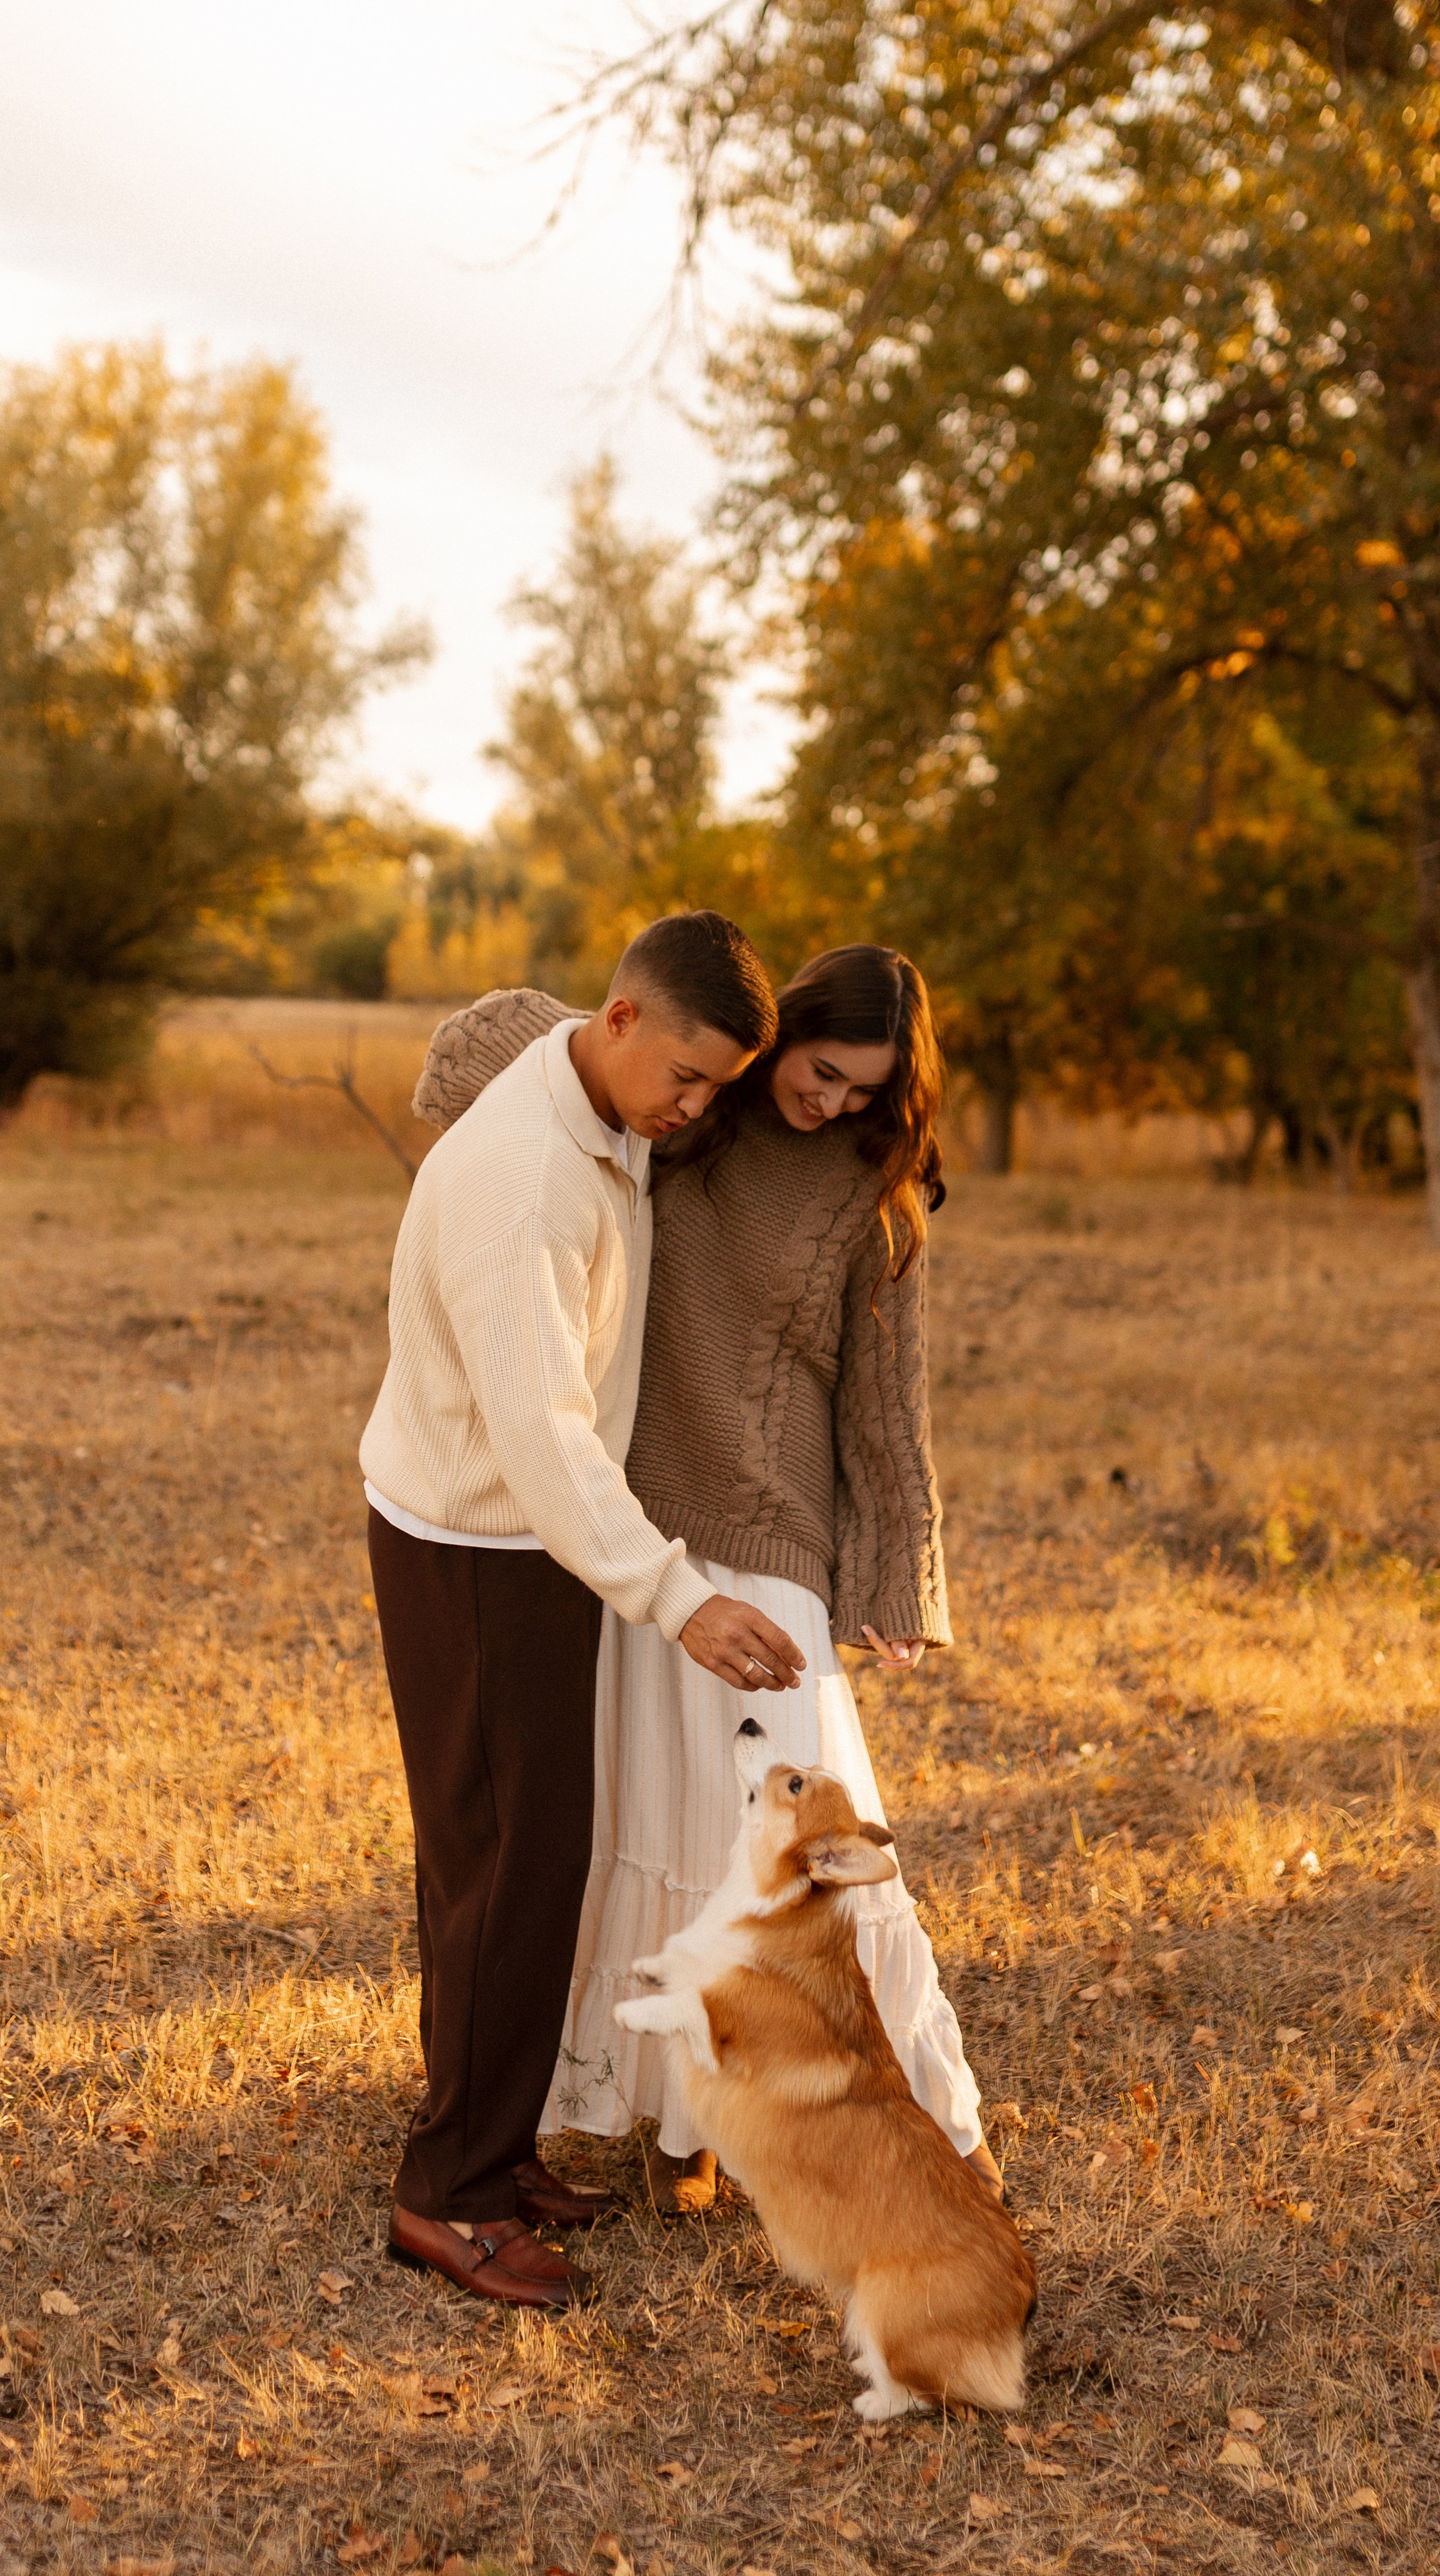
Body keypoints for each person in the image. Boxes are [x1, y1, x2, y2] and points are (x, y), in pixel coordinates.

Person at [414, 942, 999, 2215]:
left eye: (865, 1088)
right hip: (629, 1536)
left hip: (772, 1539)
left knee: (807, 1849)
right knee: (648, 1830)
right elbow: (520, 1052)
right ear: (774, 1040)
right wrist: (518, 1050)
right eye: (823, 1070)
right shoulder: (689, 1114)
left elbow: (888, 1404)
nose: (832, 1103)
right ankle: (683, 2128)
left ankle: (944, 2140)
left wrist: (900, 1575)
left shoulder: (870, 1192)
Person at [359, 911, 805, 2312]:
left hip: (524, 1535)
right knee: (509, 1866)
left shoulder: (599, 1114)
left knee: (516, 1859)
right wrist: (674, 1598)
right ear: (616, 1022)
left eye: (717, 1088)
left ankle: (482, 2156)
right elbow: (541, 1436)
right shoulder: (521, 1178)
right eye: (684, 1075)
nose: (694, 1109)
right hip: (479, 1548)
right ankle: (445, 2198)